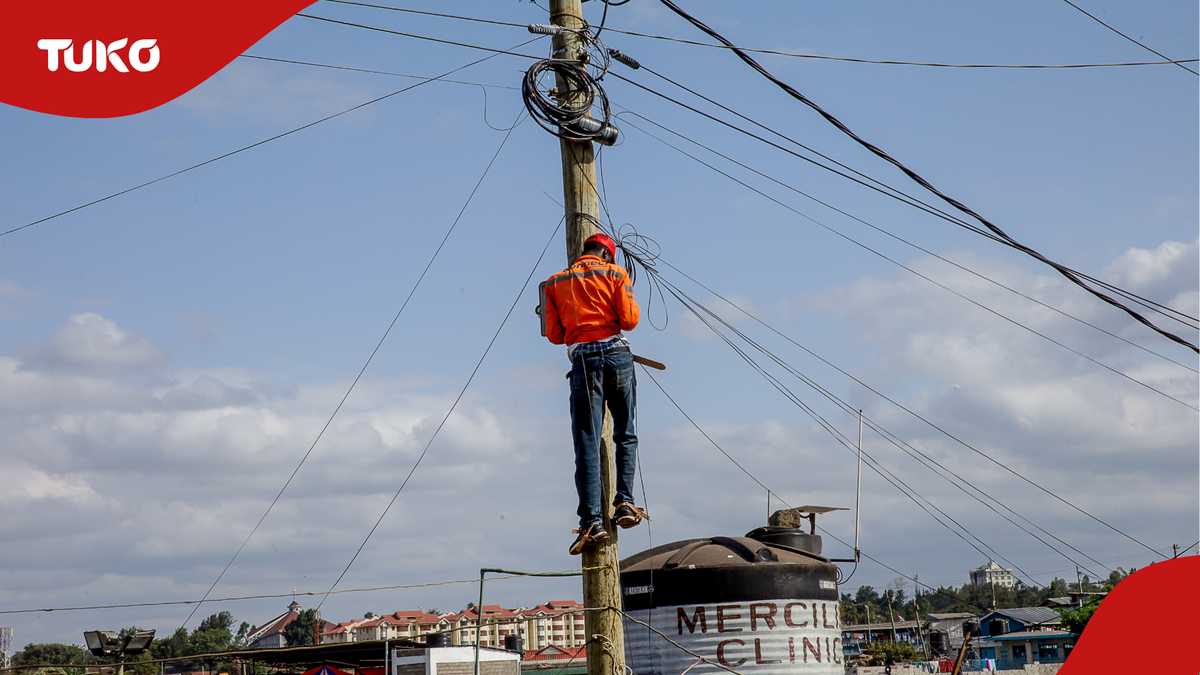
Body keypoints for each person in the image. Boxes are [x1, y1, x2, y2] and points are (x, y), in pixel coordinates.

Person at [539, 232, 648, 555]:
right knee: (625, 433)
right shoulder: (615, 273)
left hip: (584, 361)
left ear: (583, 251)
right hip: (617, 356)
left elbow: (554, 335)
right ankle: (625, 502)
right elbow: (629, 320)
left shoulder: (554, 283)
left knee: (587, 442)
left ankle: (592, 522)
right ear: (607, 253)